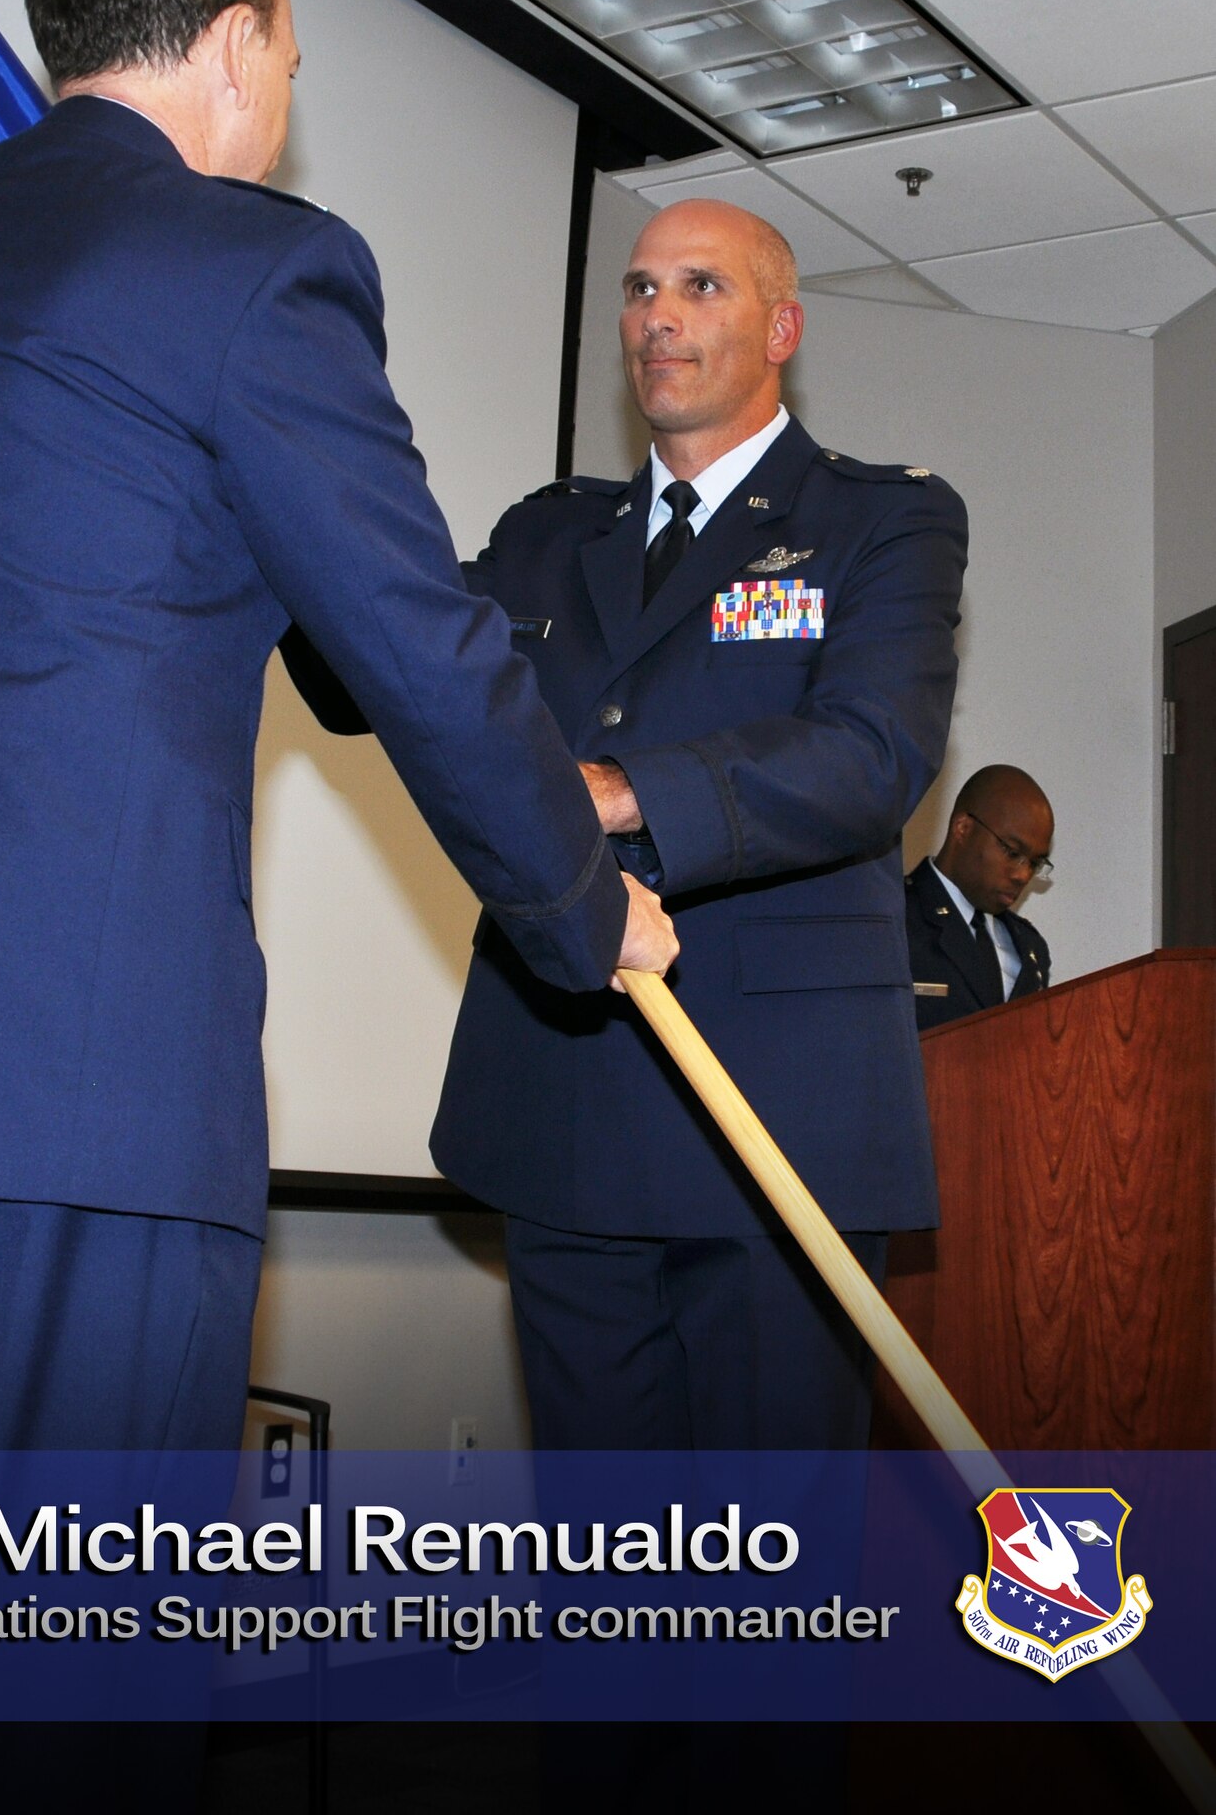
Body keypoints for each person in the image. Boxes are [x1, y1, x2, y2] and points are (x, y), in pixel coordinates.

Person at [0, 0, 675, 1455]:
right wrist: (580, 905)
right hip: (76, 1081)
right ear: (237, 45)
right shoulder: (256, 270)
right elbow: (417, 642)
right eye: (296, 62)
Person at [290, 196, 967, 1452]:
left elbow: (866, 760)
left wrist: (606, 790)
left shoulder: (884, 522)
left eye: (701, 288)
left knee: (763, 1595)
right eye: (641, 289)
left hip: (771, 1124)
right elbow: (384, 669)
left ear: (783, 327)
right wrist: (281, 492)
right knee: (606, 1583)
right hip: (568, 1111)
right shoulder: (552, 534)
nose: (656, 317)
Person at [906, 765, 1053, 1029]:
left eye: (1035, 863)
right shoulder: (896, 919)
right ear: (963, 828)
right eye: (1011, 852)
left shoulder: (1031, 948)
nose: (1023, 874)